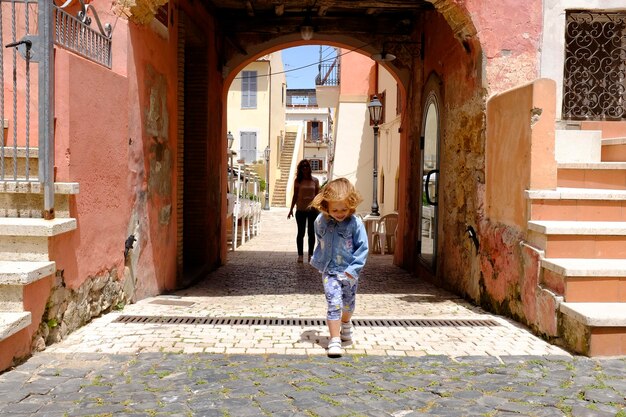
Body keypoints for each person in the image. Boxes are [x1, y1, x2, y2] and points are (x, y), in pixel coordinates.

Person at [309, 178, 369, 357]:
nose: (340, 213)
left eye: (344, 209)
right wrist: (320, 260)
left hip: (349, 272)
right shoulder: (321, 221)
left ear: (351, 205)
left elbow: (362, 248)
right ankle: (334, 339)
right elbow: (320, 239)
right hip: (330, 271)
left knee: (348, 305)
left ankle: (346, 322)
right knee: (334, 303)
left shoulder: (355, 223)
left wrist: (353, 271)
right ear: (326, 207)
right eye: (335, 210)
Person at [287, 159, 320, 263]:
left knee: (311, 232)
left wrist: (319, 208)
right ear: (300, 169)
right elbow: (295, 195)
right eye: (303, 166)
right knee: (301, 233)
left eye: (306, 166)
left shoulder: (315, 180)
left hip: (312, 210)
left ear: (309, 168)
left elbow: (317, 196)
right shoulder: (298, 181)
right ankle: (300, 255)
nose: (305, 168)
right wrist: (291, 209)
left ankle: (311, 255)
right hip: (300, 209)